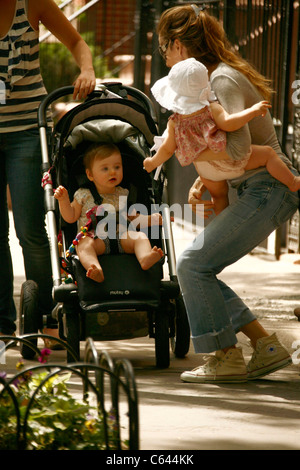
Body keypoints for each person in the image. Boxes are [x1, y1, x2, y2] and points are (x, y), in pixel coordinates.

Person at [155, 4, 298, 383]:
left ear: (180, 45)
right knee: (200, 271)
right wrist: (208, 174)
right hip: (255, 188)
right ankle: (265, 346)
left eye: (165, 47)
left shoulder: (220, 82)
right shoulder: (209, 81)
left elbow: (237, 152)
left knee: (191, 264)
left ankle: (227, 356)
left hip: (268, 189)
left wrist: (201, 162)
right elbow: (228, 150)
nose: (164, 56)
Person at [0, 0, 96, 345]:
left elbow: (76, 42)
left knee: (30, 228)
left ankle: (45, 315)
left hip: (27, 129)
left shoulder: (33, 2)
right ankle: (3, 324)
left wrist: (86, 70)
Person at [144, 57, 300, 214]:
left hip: (205, 172)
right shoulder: (212, 110)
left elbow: (167, 150)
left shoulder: (174, 123)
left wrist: (152, 162)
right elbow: (230, 123)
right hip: (228, 160)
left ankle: (220, 219)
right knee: (268, 154)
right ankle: (292, 181)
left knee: (218, 197)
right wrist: (252, 111)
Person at [54, 143, 164, 283]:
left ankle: (145, 258)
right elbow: (70, 217)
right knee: (83, 245)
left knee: (140, 236)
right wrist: (63, 200)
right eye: (105, 168)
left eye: (117, 167)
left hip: (122, 238)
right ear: (90, 174)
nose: (112, 172)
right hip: (96, 240)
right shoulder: (83, 195)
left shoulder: (124, 193)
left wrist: (151, 220)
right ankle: (95, 269)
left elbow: (133, 218)